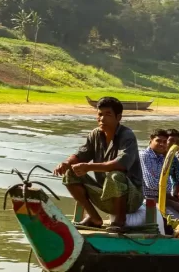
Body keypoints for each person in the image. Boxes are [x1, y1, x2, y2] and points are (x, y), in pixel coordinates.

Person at [54, 97, 143, 232]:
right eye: (100, 114)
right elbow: (80, 155)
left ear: (118, 117)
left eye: (108, 115)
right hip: (105, 193)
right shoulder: (95, 134)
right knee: (70, 173)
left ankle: (120, 220)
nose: (102, 119)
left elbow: (121, 164)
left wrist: (88, 167)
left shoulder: (127, 135)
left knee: (115, 175)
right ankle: (94, 218)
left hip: (131, 199)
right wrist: (66, 163)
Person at [139, 129, 179, 219]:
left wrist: (171, 193)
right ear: (151, 139)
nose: (162, 144)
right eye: (158, 141)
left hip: (163, 196)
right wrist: (166, 188)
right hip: (149, 198)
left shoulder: (164, 158)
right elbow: (151, 184)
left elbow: (173, 183)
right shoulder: (145, 155)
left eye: (164, 142)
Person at [166, 129, 179, 196]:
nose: (174, 144)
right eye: (171, 140)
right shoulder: (156, 156)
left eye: (177, 142)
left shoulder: (174, 159)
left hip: (168, 194)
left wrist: (174, 194)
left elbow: (177, 181)